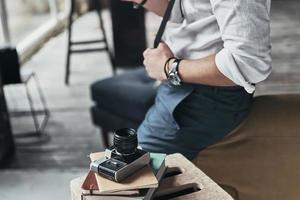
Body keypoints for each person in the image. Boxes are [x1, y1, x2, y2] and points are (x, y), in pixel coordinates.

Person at [123, 0, 272, 159]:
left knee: (129, 173)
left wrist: (168, 67)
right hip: (178, 83)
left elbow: (249, 63)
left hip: (206, 97)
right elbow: (188, 10)